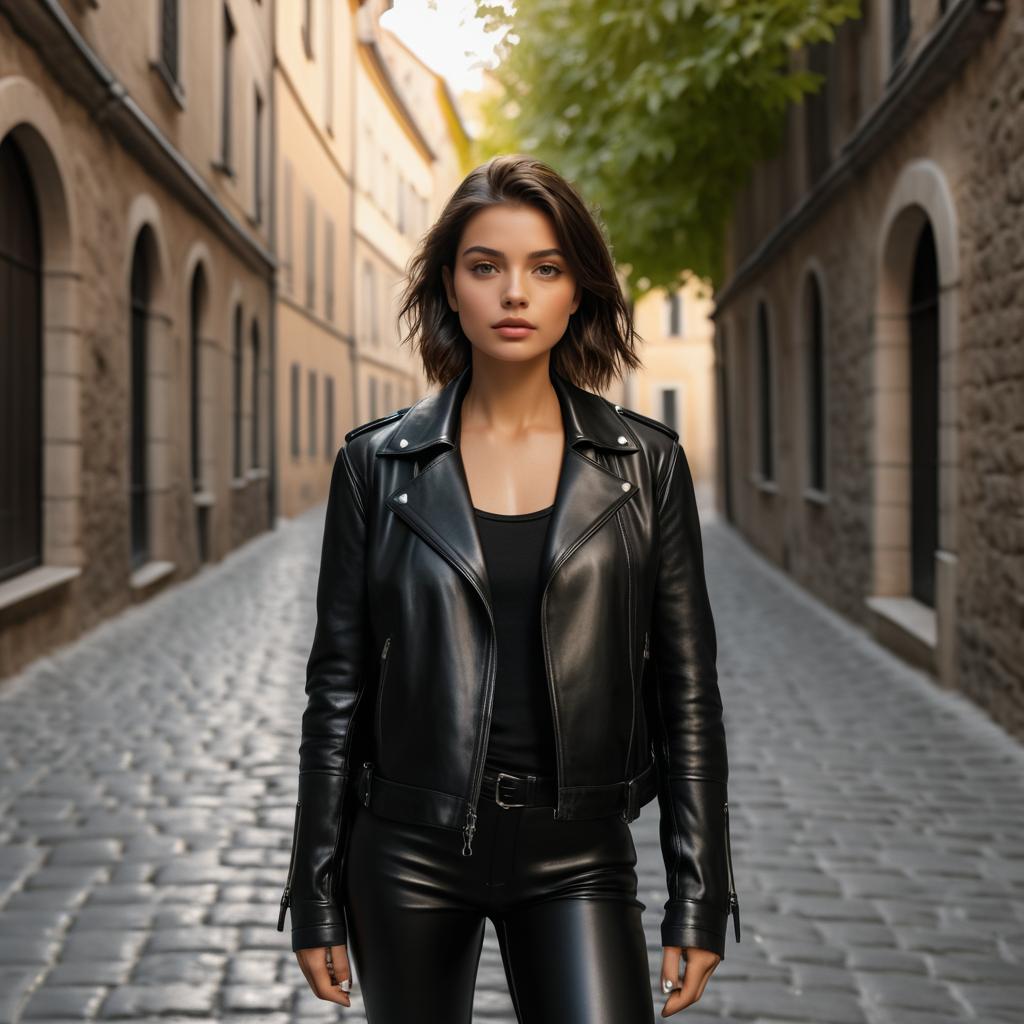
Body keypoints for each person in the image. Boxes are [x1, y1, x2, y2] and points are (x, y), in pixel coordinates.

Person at [276, 153, 740, 1022]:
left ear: (579, 293)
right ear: (451, 288)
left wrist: (700, 894)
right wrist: (314, 888)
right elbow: (335, 688)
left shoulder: (647, 467)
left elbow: (688, 696)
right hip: (406, 852)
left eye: (545, 268)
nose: (514, 293)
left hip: (580, 856)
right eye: (486, 267)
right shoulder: (375, 466)